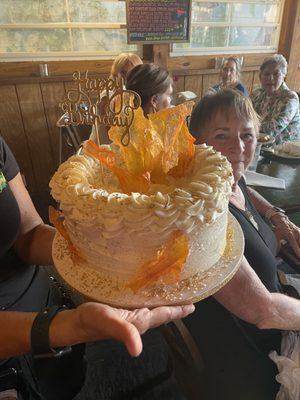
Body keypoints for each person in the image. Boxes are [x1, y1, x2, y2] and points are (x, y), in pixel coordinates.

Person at [0, 135, 194, 399]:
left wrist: (98, 249)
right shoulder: (58, 327)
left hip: (50, 312)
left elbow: (28, 234)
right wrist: (63, 327)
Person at [187, 89, 300, 400]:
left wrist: (275, 215)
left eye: (247, 135)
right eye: (222, 136)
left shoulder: (228, 179)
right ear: (196, 144)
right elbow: (264, 312)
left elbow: (246, 185)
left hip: (272, 320)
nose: (238, 147)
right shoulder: (203, 215)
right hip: (251, 359)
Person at [251, 54, 300, 144]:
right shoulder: (257, 94)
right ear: (260, 77)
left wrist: (246, 127)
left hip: (285, 152)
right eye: (266, 74)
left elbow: (273, 129)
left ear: (283, 76)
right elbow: (245, 115)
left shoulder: (290, 98)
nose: (271, 78)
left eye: (276, 74)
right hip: (260, 147)